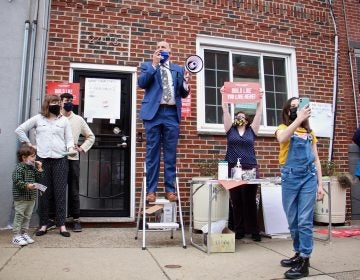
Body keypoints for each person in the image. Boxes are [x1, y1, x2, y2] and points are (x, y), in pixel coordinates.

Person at [275, 97, 325, 279]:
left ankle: (305, 259)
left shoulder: (310, 134)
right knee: (293, 220)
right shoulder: (283, 129)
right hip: (290, 178)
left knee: (304, 220)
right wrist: (297, 120)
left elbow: (317, 159)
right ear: (287, 111)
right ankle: (298, 253)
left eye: (300, 107)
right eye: (293, 107)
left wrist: (320, 185)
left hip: (308, 178)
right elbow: (282, 139)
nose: (296, 110)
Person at [15, 94, 75, 237]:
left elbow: (69, 139)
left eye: (58, 102)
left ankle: (61, 224)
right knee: (43, 192)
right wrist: (30, 145)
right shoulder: (38, 119)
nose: (57, 105)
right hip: (42, 161)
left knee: (60, 192)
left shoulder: (64, 121)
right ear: (47, 104)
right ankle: (43, 224)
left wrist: (71, 149)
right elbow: (20, 130)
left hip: (60, 159)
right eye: (53, 102)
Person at [138, 41, 191, 202]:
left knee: (170, 153)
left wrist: (186, 82)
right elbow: (142, 83)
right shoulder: (148, 66)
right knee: (152, 153)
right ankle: (151, 191)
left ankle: (169, 189)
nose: (160, 49)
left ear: (170, 51)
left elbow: (183, 94)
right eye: (158, 47)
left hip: (171, 114)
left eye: (164, 47)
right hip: (153, 114)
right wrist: (154, 65)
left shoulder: (178, 69)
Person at [220, 86, 263, 242]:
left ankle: (254, 230)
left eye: (243, 115)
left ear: (247, 119)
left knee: (250, 199)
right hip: (232, 167)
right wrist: (224, 95)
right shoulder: (229, 130)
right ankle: (239, 229)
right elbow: (225, 110)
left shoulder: (252, 131)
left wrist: (260, 99)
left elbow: (259, 113)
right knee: (236, 199)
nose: (240, 117)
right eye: (238, 115)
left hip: (249, 166)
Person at [58, 92, 95, 232]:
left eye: (71, 100)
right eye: (66, 100)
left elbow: (91, 136)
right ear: (60, 102)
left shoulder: (78, 119)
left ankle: (76, 219)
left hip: (73, 158)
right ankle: (56, 219)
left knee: (74, 190)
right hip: (58, 159)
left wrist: (82, 148)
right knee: (58, 189)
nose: (69, 103)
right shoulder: (56, 118)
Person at [11, 143, 43, 246]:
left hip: (31, 197)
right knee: (20, 215)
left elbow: (39, 179)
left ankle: (24, 233)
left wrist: (39, 169)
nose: (34, 158)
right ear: (24, 157)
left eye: (35, 156)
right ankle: (16, 236)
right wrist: (27, 185)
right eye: (32, 156)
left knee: (27, 216)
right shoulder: (19, 168)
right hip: (21, 197)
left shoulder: (32, 168)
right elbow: (17, 181)